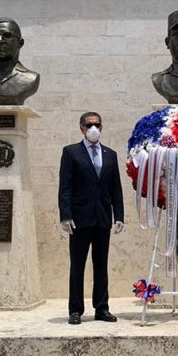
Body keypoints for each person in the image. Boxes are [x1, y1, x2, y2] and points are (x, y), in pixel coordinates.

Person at [58, 111, 125, 325]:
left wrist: (119, 215)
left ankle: (102, 307)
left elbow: (116, 188)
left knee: (101, 265)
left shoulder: (110, 154)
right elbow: (65, 187)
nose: (93, 128)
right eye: (89, 125)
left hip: (102, 218)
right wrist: (65, 215)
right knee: (77, 266)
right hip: (79, 218)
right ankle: (75, 309)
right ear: (82, 128)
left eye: (97, 124)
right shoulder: (71, 152)